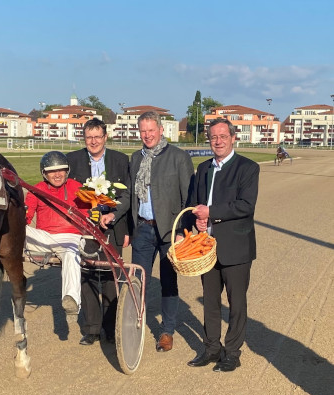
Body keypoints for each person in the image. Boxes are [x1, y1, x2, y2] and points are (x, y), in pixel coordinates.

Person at [187, 118, 259, 372]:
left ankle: (232, 352)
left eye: (222, 137)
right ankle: (211, 348)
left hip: (236, 247)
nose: (218, 141)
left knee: (236, 302)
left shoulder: (248, 168)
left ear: (232, 138)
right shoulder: (203, 168)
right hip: (207, 248)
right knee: (210, 301)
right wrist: (198, 221)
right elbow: (196, 203)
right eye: (213, 137)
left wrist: (211, 213)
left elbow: (245, 205)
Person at [130, 111, 194, 352]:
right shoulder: (136, 158)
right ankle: (135, 325)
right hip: (143, 230)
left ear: (161, 130)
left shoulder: (178, 157)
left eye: (151, 130)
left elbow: (189, 196)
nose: (147, 135)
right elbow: (131, 196)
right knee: (138, 282)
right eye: (143, 131)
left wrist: (184, 231)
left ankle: (167, 331)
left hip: (170, 231)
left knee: (168, 281)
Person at [66, 118, 130, 345]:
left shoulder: (121, 160)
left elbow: (127, 195)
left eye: (97, 137)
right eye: (89, 137)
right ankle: (92, 328)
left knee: (111, 276)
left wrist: (119, 221)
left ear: (105, 137)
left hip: (112, 225)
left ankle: (111, 328)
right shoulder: (71, 160)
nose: (93, 141)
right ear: (84, 138)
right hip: (83, 228)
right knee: (87, 274)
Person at [25, 151, 91, 319]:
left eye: (61, 170)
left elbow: (88, 215)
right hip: (43, 238)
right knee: (16, 228)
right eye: (52, 171)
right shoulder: (36, 190)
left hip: (70, 238)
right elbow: (26, 218)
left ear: (67, 170)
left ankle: (71, 301)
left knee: (71, 253)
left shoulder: (77, 188)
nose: (57, 174)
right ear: (44, 173)